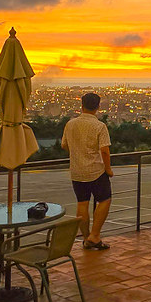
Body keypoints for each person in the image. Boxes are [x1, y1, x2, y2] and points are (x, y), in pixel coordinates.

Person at [61, 92, 113, 250]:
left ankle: (85, 238)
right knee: (105, 199)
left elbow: (64, 145)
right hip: (96, 170)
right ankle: (95, 236)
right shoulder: (99, 126)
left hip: (77, 171)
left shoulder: (70, 124)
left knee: (82, 203)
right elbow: (104, 150)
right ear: (98, 107)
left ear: (81, 105)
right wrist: (108, 169)